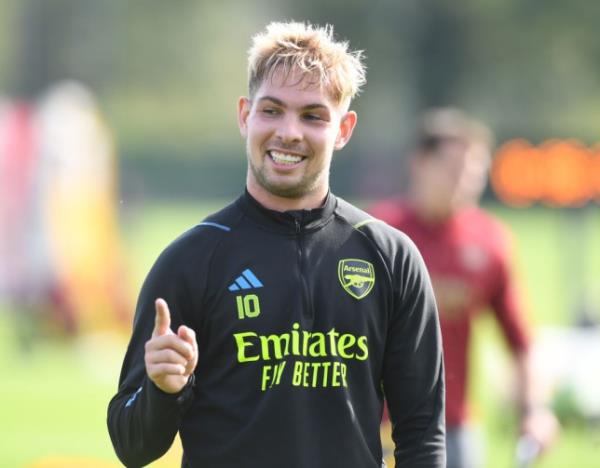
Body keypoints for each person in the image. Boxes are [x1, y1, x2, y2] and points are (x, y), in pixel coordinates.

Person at [107, 21, 445, 468]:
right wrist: (163, 389)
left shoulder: (389, 257)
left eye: (313, 116)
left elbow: (422, 433)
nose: (289, 132)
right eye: (272, 110)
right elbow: (132, 448)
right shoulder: (191, 260)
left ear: (343, 129)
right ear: (245, 115)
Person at [369, 108, 559, 468]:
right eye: (454, 169)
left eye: (475, 172)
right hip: (377, 425)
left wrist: (535, 411)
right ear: (420, 163)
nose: (467, 182)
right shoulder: (378, 234)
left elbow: (521, 342)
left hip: (453, 428)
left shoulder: (490, 242)